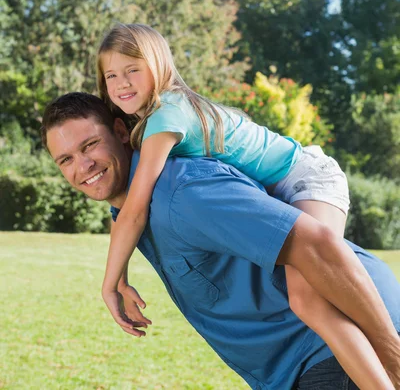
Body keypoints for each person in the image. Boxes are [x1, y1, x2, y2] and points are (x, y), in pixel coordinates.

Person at [95, 22, 396, 389]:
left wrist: (112, 282)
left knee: (308, 300)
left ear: (159, 66)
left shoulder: (165, 116)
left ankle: (392, 360)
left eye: (132, 70)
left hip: (306, 176)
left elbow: (135, 210)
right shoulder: (156, 120)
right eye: (111, 75)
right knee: (309, 300)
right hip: (285, 186)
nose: (122, 83)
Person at [42, 93, 400, 390]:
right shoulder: (131, 212)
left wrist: (392, 356)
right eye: (66, 160)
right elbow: (122, 218)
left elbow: (317, 243)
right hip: (298, 360)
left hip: (342, 342)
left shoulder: (183, 193)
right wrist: (115, 277)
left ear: (121, 131)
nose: (83, 166)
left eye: (90, 145)